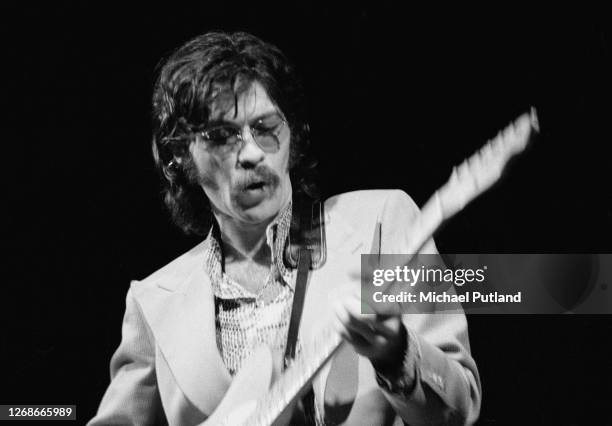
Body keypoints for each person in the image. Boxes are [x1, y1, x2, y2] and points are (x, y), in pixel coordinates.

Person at [89, 31, 481, 425]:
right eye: (222, 136)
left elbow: (460, 408)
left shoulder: (381, 222)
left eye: (265, 127)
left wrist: (398, 355)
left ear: (292, 133)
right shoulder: (153, 303)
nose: (252, 152)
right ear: (179, 157)